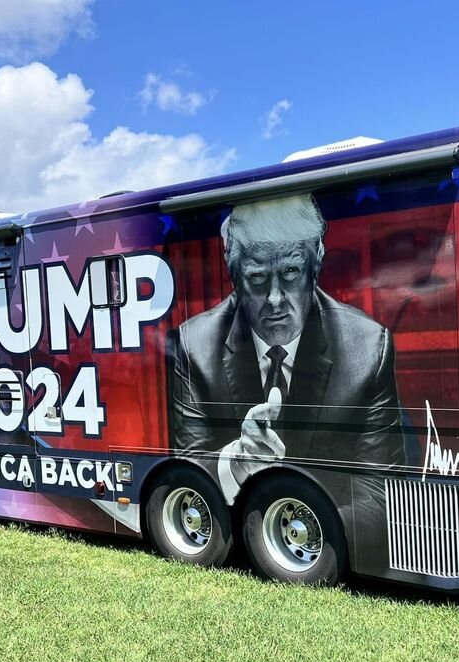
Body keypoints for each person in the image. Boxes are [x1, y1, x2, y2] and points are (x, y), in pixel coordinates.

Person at [169, 193, 405, 504]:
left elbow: (381, 490)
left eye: (291, 272)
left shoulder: (367, 347)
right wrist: (236, 463)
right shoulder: (195, 345)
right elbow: (188, 469)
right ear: (234, 276)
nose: (276, 299)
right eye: (257, 277)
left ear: (316, 263)